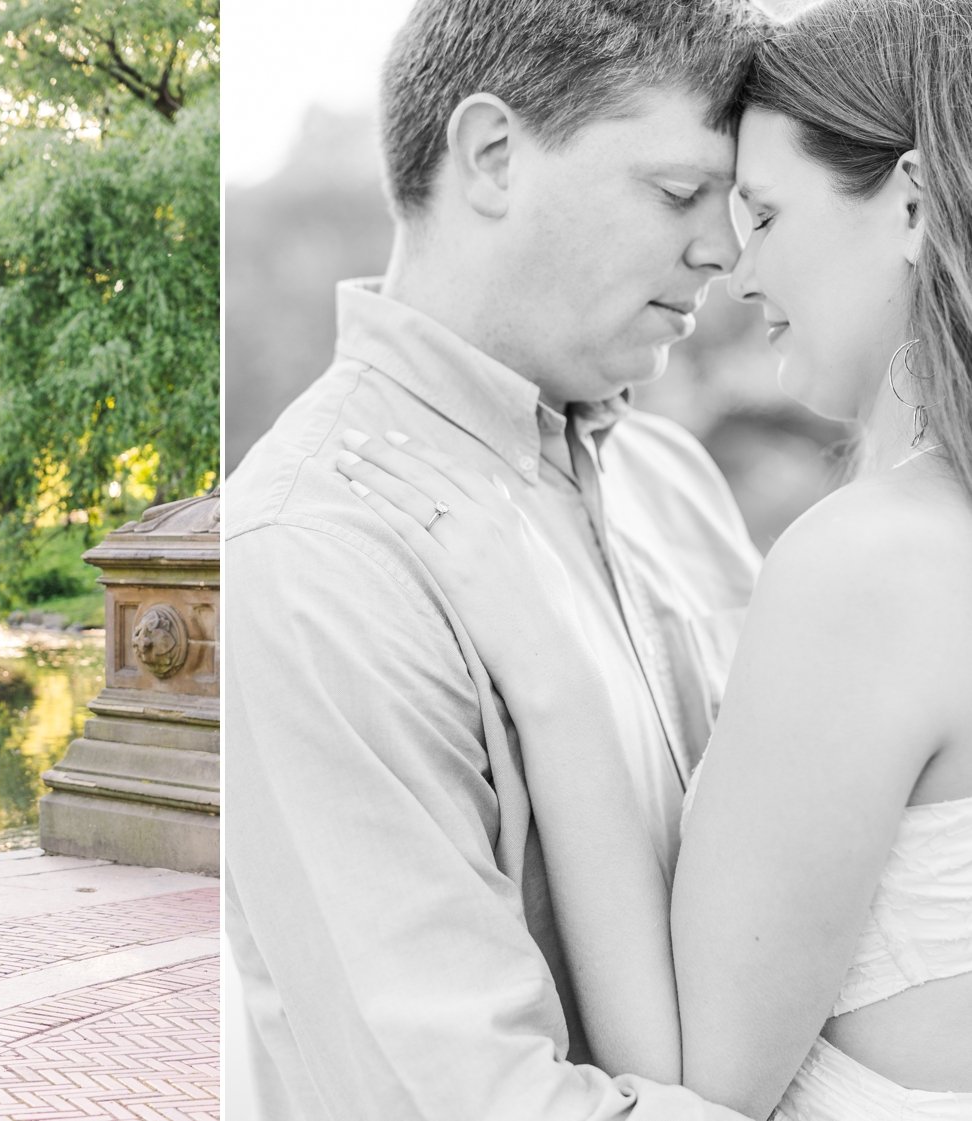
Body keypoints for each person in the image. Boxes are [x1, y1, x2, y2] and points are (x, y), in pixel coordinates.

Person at [341, 0, 972, 1118]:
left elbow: (696, 1086)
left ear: (915, 203)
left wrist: (553, 673)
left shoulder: (871, 562)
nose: (734, 262)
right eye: (694, 200)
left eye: (762, 213)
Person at [224, 0, 769, 1117]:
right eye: (678, 192)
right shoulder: (313, 558)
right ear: (491, 156)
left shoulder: (679, 486)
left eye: (736, 203)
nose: (723, 248)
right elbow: (467, 1096)